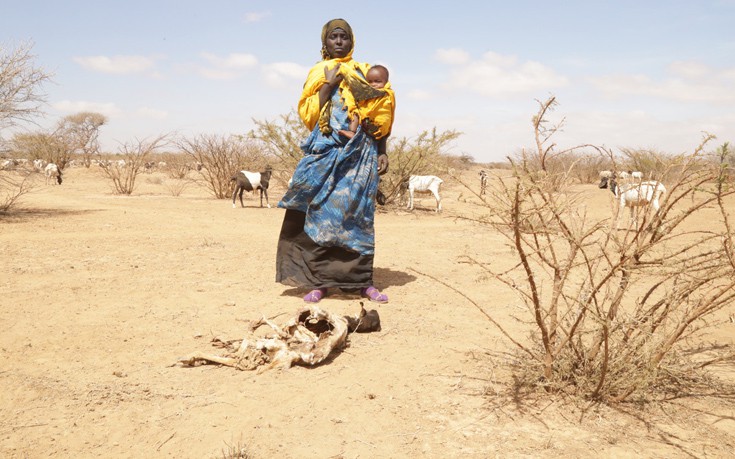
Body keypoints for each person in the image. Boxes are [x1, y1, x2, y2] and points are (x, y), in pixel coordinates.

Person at [276, 18, 394, 304]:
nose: (339, 42)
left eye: (344, 37)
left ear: (352, 41)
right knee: (318, 213)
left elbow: (380, 109)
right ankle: (320, 283)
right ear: (324, 43)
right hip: (326, 152)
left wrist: (382, 149)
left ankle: (362, 282)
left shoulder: (366, 71)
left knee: (357, 216)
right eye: (334, 37)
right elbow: (309, 115)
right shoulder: (318, 71)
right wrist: (328, 86)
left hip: (361, 154)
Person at [337, 64, 392, 140]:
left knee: (355, 112)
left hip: (377, 124)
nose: (373, 84)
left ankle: (352, 131)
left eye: (377, 81)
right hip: (379, 129)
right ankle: (381, 149)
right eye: (370, 82)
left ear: (386, 82)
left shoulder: (384, 92)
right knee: (356, 111)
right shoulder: (388, 93)